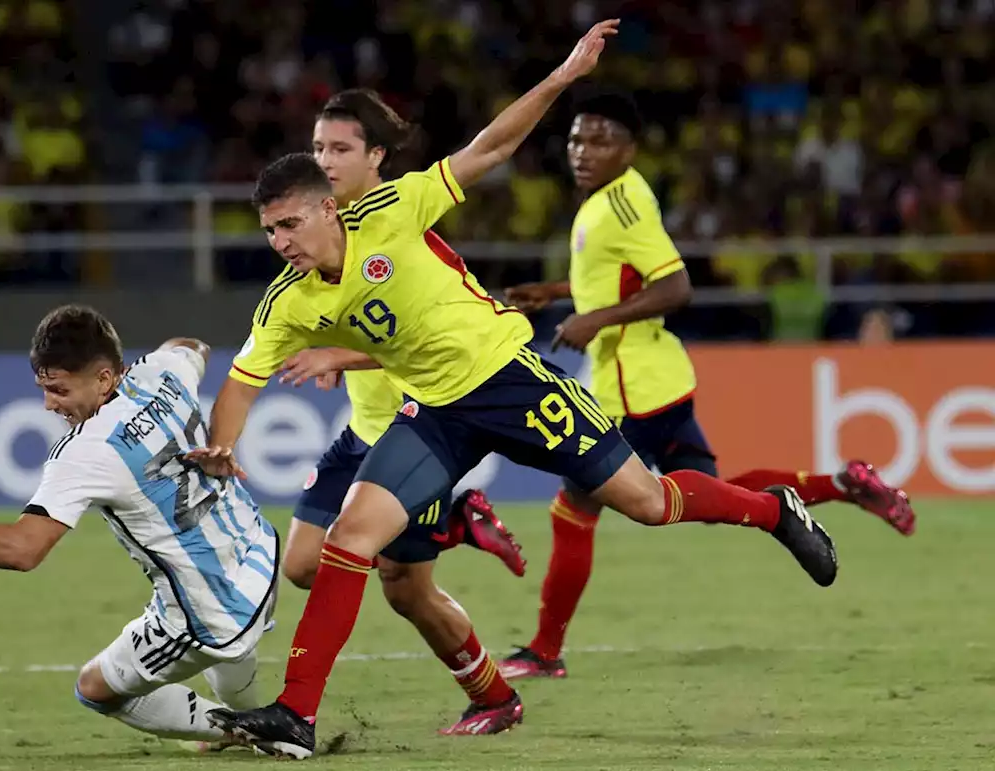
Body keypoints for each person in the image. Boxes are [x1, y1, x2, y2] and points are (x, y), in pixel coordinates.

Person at [187, 20, 837, 759]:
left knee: (649, 503)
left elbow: (489, 149)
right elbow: (242, 380)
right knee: (350, 539)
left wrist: (562, 76)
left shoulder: (394, 210)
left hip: (510, 380)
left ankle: (773, 510)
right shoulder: (288, 300)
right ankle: (296, 714)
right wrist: (221, 446)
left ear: (328, 207)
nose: (281, 242)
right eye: (269, 231)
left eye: (290, 224)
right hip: (436, 411)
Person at [498, 89, 915, 681]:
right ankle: (843, 485)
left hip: (632, 385)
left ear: (630, 149)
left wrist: (591, 320)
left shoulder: (619, 205)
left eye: (600, 140)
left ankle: (544, 651)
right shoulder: (609, 201)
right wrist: (559, 292)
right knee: (713, 492)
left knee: (574, 508)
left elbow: (675, 287)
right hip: (658, 378)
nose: (583, 152)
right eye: (576, 140)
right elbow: (618, 276)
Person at [0, 304, 274, 747]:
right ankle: (256, 719)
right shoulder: (161, 373)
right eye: (44, 388)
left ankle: (254, 731)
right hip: (258, 556)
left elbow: (22, 549)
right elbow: (191, 346)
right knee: (233, 661)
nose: (50, 404)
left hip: (212, 605)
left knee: (96, 688)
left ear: (105, 379)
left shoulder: (86, 450)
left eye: (59, 390)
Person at [279, 88, 527, 736]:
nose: (324, 160)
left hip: (418, 427)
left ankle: (495, 695)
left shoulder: (404, 216)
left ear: (376, 156)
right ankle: (456, 520)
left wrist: (344, 352)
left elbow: (429, 342)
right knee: (304, 563)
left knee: (404, 588)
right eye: (317, 148)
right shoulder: (318, 227)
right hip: (363, 429)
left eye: (339, 148)